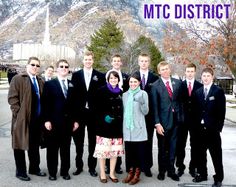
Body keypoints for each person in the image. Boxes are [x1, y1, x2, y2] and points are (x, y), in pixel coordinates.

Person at [8, 57, 46, 181]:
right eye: (33, 64)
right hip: (22, 119)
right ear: (27, 65)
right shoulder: (18, 79)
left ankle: (34, 168)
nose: (35, 67)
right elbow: (12, 98)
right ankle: (20, 172)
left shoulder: (40, 80)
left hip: (37, 120)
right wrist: (18, 114)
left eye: (37, 65)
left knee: (34, 146)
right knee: (19, 146)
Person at [41, 59, 79, 181]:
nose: (64, 68)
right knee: (52, 149)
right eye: (61, 66)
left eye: (66, 66)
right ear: (57, 69)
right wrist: (46, 120)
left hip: (68, 124)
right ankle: (52, 172)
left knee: (65, 150)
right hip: (53, 123)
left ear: (68, 69)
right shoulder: (49, 84)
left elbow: (75, 105)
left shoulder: (72, 84)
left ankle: (64, 171)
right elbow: (45, 104)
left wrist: (76, 120)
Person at [71, 51, 106, 177]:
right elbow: (73, 97)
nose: (88, 61)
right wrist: (74, 117)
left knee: (93, 142)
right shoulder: (76, 75)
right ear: (83, 61)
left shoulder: (100, 76)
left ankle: (92, 167)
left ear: (93, 60)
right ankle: (79, 166)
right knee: (78, 142)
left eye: (90, 59)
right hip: (80, 115)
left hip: (94, 115)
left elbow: (102, 97)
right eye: (86, 59)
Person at [192, 67, 226, 187]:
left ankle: (218, 178)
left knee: (216, 155)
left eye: (208, 76)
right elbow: (195, 112)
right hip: (200, 130)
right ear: (201, 77)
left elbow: (222, 112)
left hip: (212, 130)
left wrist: (218, 128)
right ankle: (202, 174)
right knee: (201, 155)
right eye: (204, 76)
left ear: (212, 77)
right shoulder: (198, 92)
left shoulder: (218, 91)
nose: (205, 78)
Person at [151, 61, 182, 181]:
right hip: (162, 123)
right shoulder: (155, 86)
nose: (165, 71)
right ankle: (162, 171)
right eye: (162, 69)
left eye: (167, 68)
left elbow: (180, 101)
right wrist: (157, 123)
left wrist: (180, 116)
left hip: (176, 121)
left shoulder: (178, 83)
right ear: (159, 71)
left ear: (170, 69)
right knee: (163, 148)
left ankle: (171, 171)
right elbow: (154, 106)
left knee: (173, 147)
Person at [93, 71, 124, 183]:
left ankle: (111, 173)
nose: (113, 80)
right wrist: (103, 117)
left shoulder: (121, 92)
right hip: (104, 127)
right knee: (103, 152)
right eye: (111, 78)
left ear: (118, 80)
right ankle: (102, 173)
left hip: (117, 127)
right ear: (108, 79)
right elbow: (96, 108)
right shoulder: (101, 91)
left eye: (115, 78)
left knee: (114, 152)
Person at [175, 63, 202, 177]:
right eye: (188, 71)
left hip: (195, 122)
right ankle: (180, 167)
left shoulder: (200, 86)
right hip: (182, 121)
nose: (190, 73)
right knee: (180, 145)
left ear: (195, 72)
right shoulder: (180, 86)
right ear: (185, 72)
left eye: (192, 71)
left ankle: (193, 168)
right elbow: (176, 102)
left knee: (195, 145)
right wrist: (178, 116)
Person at [134, 53, 159, 177]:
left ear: (149, 63)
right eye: (142, 61)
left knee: (148, 141)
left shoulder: (154, 78)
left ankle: (147, 166)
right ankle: (137, 166)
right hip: (136, 115)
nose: (144, 63)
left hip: (149, 116)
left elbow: (156, 99)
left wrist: (156, 119)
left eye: (146, 61)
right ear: (138, 62)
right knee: (137, 142)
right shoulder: (133, 76)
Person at [122, 73, 149, 185]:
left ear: (139, 83)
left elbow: (146, 111)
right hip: (128, 128)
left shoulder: (143, 93)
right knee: (129, 153)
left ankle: (137, 173)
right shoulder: (125, 95)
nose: (132, 84)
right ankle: (130, 172)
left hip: (138, 127)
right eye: (131, 82)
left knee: (138, 153)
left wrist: (141, 101)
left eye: (135, 82)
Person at [105, 54, 129, 175]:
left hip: (121, 112)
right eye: (114, 61)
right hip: (109, 114)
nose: (116, 62)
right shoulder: (107, 75)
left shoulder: (125, 76)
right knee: (109, 141)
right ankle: (108, 167)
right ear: (111, 62)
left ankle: (118, 165)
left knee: (119, 141)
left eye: (118, 61)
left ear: (121, 63)